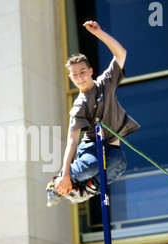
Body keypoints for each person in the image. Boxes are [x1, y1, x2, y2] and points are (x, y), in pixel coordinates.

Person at [47, 21, 140, 207]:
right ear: (71, 78)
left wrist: (99, 33)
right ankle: (58, 182)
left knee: (119, 162)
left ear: (90, 71)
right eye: (75, 74)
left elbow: (121, 54)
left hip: (112, 148)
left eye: (83, 72)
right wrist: (65, 174)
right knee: (91, 165)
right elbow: (72, 141)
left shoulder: (105, 83)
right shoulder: (79, 106)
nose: (80, 77)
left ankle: (86, 189)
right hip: (91, 148)